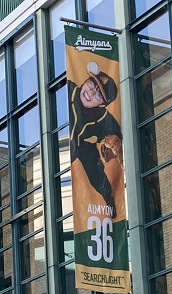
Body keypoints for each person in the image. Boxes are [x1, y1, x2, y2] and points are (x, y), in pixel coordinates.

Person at [69, 60, 123, 216]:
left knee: (92, 163)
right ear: (86, 80)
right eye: (92, 84)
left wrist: (114, 143)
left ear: (102, 104)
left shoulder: (102, 117)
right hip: (62, 149)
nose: (91, 92)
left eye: (99, 94)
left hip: (80, 147)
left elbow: (116, 132)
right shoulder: (69, 90)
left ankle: (110, 204)